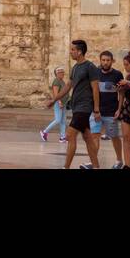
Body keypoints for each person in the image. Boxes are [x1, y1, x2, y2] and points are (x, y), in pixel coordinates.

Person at [46, 39, 100, 169]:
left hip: (84, 107)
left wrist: (96, 109)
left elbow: (95, 88)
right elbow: (68, 86)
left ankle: (66, 167)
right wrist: (54, 99)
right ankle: (97, 167)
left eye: (73, 50)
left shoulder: (90, 67)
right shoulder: (75, 68)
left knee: (69, 135)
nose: (71, 52)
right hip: (76, 107)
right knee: (87, 137)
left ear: (80, 52)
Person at [94, 50, 125, 168]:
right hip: (96, 111)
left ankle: (119, 160)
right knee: (94, 136)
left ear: (112, 61)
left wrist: (119, 109)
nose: (105, 62)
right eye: (103, 60)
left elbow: (121, 93)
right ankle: (93, 161)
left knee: (114, 136)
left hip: (111, 111)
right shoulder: (95, 73)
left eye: (108, 60)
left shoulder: (117, 75)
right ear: (100, 60)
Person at [40, 66, 68, 143]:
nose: (62, 73)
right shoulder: (56, 81)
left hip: (63, 103)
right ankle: (44, 132)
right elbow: (56, 94)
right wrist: (59, 102)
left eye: (63, 72)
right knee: (58, 120)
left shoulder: (62, 81)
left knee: (63, 121)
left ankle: (62, 137)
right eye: (61, 72)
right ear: (57, 73)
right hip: (59, 103)